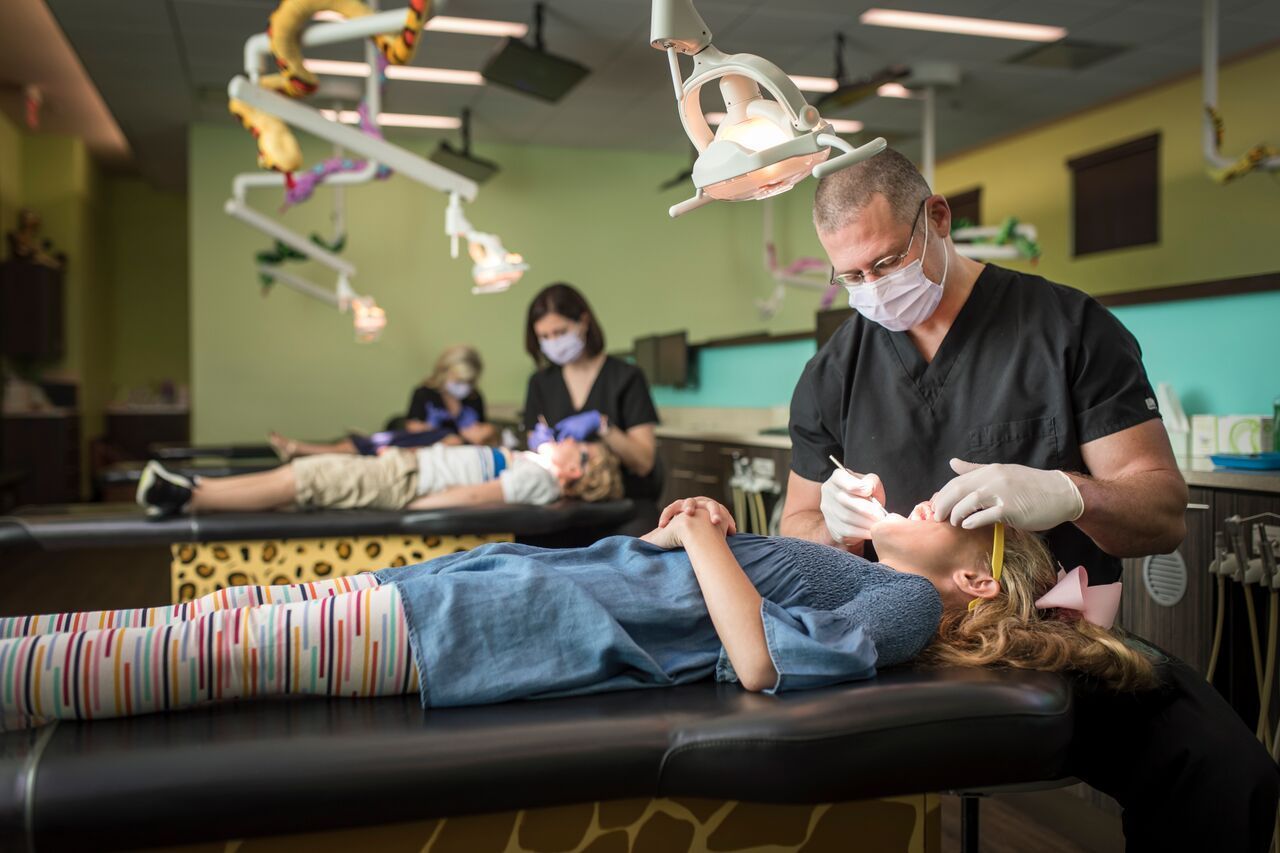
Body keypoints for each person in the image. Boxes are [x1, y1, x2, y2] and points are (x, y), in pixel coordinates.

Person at [780, 148, 1278, 851]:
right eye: (851, 276)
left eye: (887, 263)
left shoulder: (1068, 330)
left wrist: (1069, 492)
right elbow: (792, 522)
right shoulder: (834, 370)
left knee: (1224, 768)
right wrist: (827, 525)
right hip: (883, 641)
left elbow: (1163, 513)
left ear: (938, 219)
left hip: (1051, 642)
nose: (872, 290)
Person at [0, 494, 1157, 731]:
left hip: (490, 631)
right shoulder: (863, 568)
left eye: (943, 508)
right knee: (209, 623)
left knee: (208, 650)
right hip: (478, 591)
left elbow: (754, 665)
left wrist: (701, 536)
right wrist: (690, 536)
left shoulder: (903, 602)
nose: (913, 501)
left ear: (968, 576)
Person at [135, 437, 620, 517]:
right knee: (300, 473)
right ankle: (194, 490)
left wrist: (418, 512)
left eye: (575, 445)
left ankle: (190, 499)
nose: (564, 438)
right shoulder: (534, 462)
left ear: (574, 469)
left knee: (302, 481)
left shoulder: (540, 480)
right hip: (401, 469)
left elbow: (476, 495)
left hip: (402, 486)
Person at [522, 284, 661, 534]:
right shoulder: (540, 383)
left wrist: (603, 426)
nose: (553, 342)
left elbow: (644, 463)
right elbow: (535, 442)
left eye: (560, 331)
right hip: (561, 506)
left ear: (583, 322)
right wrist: (538, 445)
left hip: (625, 507)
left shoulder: (626, 377)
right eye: (544, 337)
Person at [267, 345, 495, 460]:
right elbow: (414, 428)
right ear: (445, 372)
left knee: (371, 447)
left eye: (468, 381)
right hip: (419, 444)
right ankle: (298, 449)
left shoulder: (474, 398)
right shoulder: (425, 392)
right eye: (459, 380)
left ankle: (298, 449)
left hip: (452, 453)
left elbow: (482, 434)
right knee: (366, 444)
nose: (463, 386)